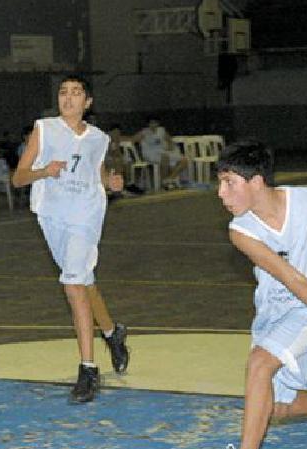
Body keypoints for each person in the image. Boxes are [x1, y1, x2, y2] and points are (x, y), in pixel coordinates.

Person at [198, 141, 307, 449]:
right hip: (278, 310)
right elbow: (290, 279)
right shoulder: (241, 230)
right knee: (275, 409)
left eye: (229, 182)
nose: (221, 193)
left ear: (256, 182)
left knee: (260, 364)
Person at [11, 74, 129, 404]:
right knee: (84, 281)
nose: (68, 97)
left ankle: (88, 370)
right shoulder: (44, 129)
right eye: (63, 92)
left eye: (76, 93)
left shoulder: (98, 139)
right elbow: (19, 178)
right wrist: (43, 171)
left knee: (73, 283)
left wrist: (112, 183)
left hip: (86, 215)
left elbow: (98, 176)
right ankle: (112, 332)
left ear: (87, 102)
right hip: (52, 215)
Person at [132, 116, 188, 189]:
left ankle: (169, 179)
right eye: (151, 123)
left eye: (155, 123)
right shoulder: (144, 132)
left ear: (158, 123)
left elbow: (170, 141)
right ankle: (164, 182)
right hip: (150, 154)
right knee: (165, 158)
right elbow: (133, 140)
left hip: (163, 152)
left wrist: (170, 146)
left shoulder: (162, 130)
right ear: (148, 124)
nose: (153, 125)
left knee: (184, 160)